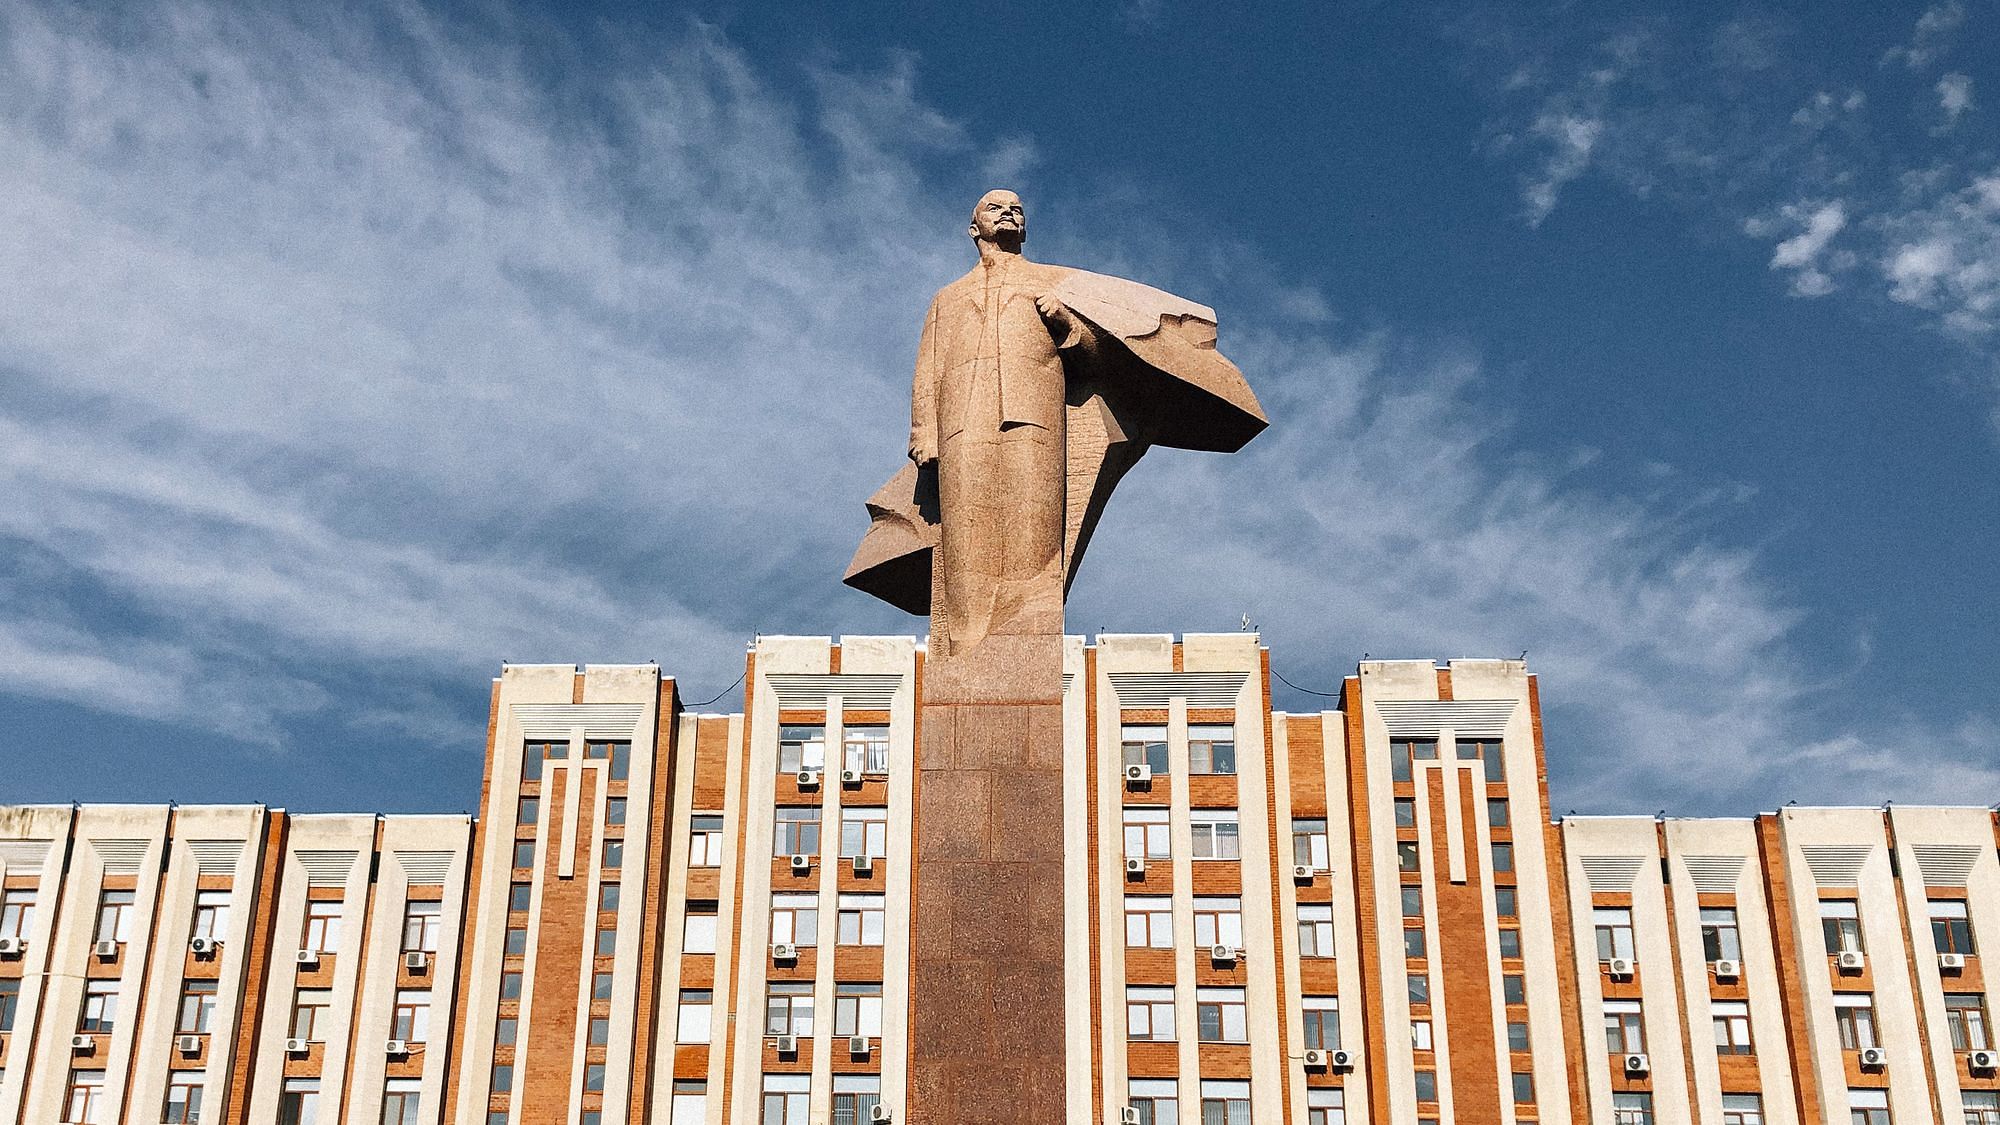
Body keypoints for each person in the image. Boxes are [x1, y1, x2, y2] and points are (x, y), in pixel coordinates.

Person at [846, 190, 1268, 660]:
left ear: (1024, 228)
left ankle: (1025, 635)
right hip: (962, 424)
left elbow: (1097, 354)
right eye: (995, 207)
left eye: (1017, 209)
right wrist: (922, 431)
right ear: (974, 230)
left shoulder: (1055, 284)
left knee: (1035, 530)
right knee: (965, 538)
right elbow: (929, 369)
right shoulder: (947, 299)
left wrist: (1067, 324)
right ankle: (967, 643)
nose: (1008, 212)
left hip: (1035, 416)